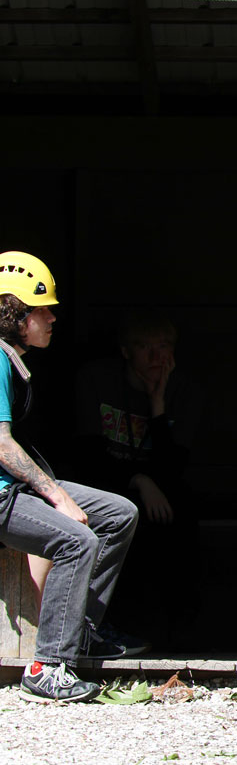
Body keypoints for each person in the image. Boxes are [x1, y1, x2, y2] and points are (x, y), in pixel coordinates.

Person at [0, 251, 141, 703]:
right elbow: (1, 445)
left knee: (119, 513)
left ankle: (80, 631)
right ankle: (47, 667)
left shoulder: (12, 359)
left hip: (15, 486)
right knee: (76, 541)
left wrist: (54, 490)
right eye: (43, 309)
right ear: (15, 313)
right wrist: (57, 497)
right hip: (2, 495)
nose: (53, 317)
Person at [74, 309, 204, 649]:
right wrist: (138, 480)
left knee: (178, 516)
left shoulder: (184, 391)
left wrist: (157, 404)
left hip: (160, 494)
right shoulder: (97, 380)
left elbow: (172, 468)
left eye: (164, 347)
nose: (156, 357)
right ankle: (100, 626)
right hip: (112, 488)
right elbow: (88, 458)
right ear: (126, 351)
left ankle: (179, 634)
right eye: (145, 347)